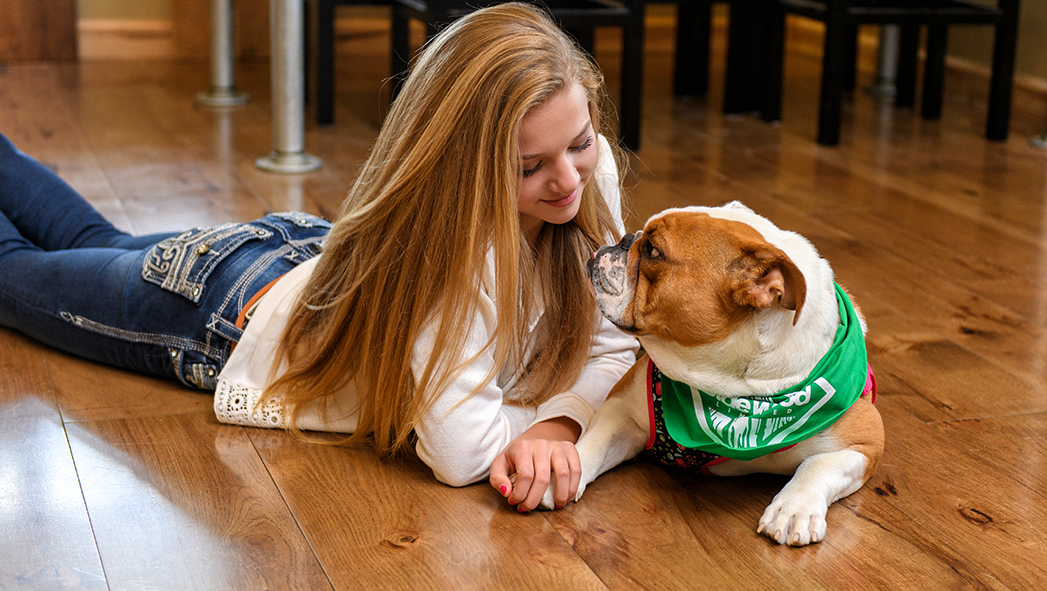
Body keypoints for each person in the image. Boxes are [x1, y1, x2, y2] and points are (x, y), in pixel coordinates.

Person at [0, 2, 639, 513]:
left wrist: (553, 429)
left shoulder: (586, 174)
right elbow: (463, 455)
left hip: (305, 256)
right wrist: (560, 417)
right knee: (12, 269)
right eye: (529, 167)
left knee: (91, 244)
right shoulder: (450, 257)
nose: (568, 180)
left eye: (581, 143)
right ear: (465, 171)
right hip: (224, 310)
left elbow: (616, 347)